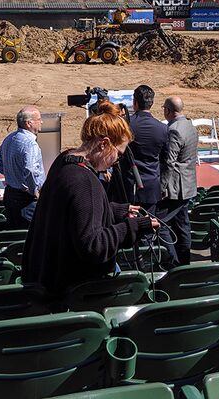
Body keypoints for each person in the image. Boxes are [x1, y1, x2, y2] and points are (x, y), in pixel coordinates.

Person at [22, 107, 158, 295]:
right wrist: (133, 227)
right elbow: (93, 246)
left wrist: (116, 211)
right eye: (118, 154)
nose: (117, 161)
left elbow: (77, 213)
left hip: (46, 277)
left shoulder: (64, 160)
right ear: (104, 144)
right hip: (73, 293)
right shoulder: (84, 180)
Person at [159, 96, 198, 266]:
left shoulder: (173, 130)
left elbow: (169, 162)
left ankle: (173, 262)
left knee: (160, 223)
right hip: (188, 184)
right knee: (182, 226)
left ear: (167, 111)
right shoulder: (190, 126)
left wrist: (162, 187)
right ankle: (184, 262)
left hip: (176, 187)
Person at [0, 106, 45, 228]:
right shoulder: (30, 143)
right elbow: (30, 169)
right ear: (29, 123)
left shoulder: (10, 138)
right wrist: (34, 191)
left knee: (14, 233)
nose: (42, 122)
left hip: (10, 195)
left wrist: (10, 174)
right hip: (26, 201)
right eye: (39, 119)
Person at [125, 85, 168, 211]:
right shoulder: (163, 128)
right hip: (151, 186)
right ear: (152, 103)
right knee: (149, 225)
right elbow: (165, 159)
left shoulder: (126, 125)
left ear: (135, 103)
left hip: (128, 184)